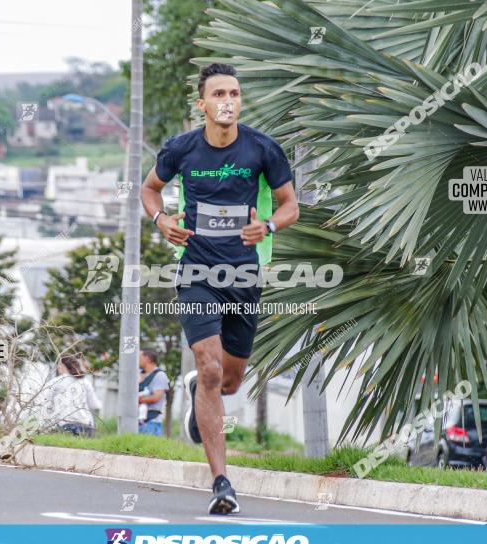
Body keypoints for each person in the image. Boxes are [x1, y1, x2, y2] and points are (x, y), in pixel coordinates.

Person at [140, 63, 299, 514]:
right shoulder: (181, 149)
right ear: (203, 103)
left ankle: (199, 388)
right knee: (210, 369)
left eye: (234, 92)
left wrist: (267, 225)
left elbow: (291, 206)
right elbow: (149, 189)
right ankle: (222, 484)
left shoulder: (263, 149)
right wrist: (161, 219)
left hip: (245, 272)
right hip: (197, 270)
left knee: (229, 381)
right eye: (218, 93)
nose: (227, 100)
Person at [44, 354, 102, 437]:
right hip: (86, 426)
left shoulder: (55, 382)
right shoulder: (85, 381)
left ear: (64, 365)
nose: (58, 366)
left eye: (59, 364)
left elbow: (46, 404)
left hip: (65, 425)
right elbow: (95, 405)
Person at [137, 349, 169, 437]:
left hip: (151, 421)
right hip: (136, 420)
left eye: (139, 357)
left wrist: (137, 399)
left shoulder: (160, 375)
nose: (137, 359)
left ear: (147, 359)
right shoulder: (138, 374)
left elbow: (156, 397)